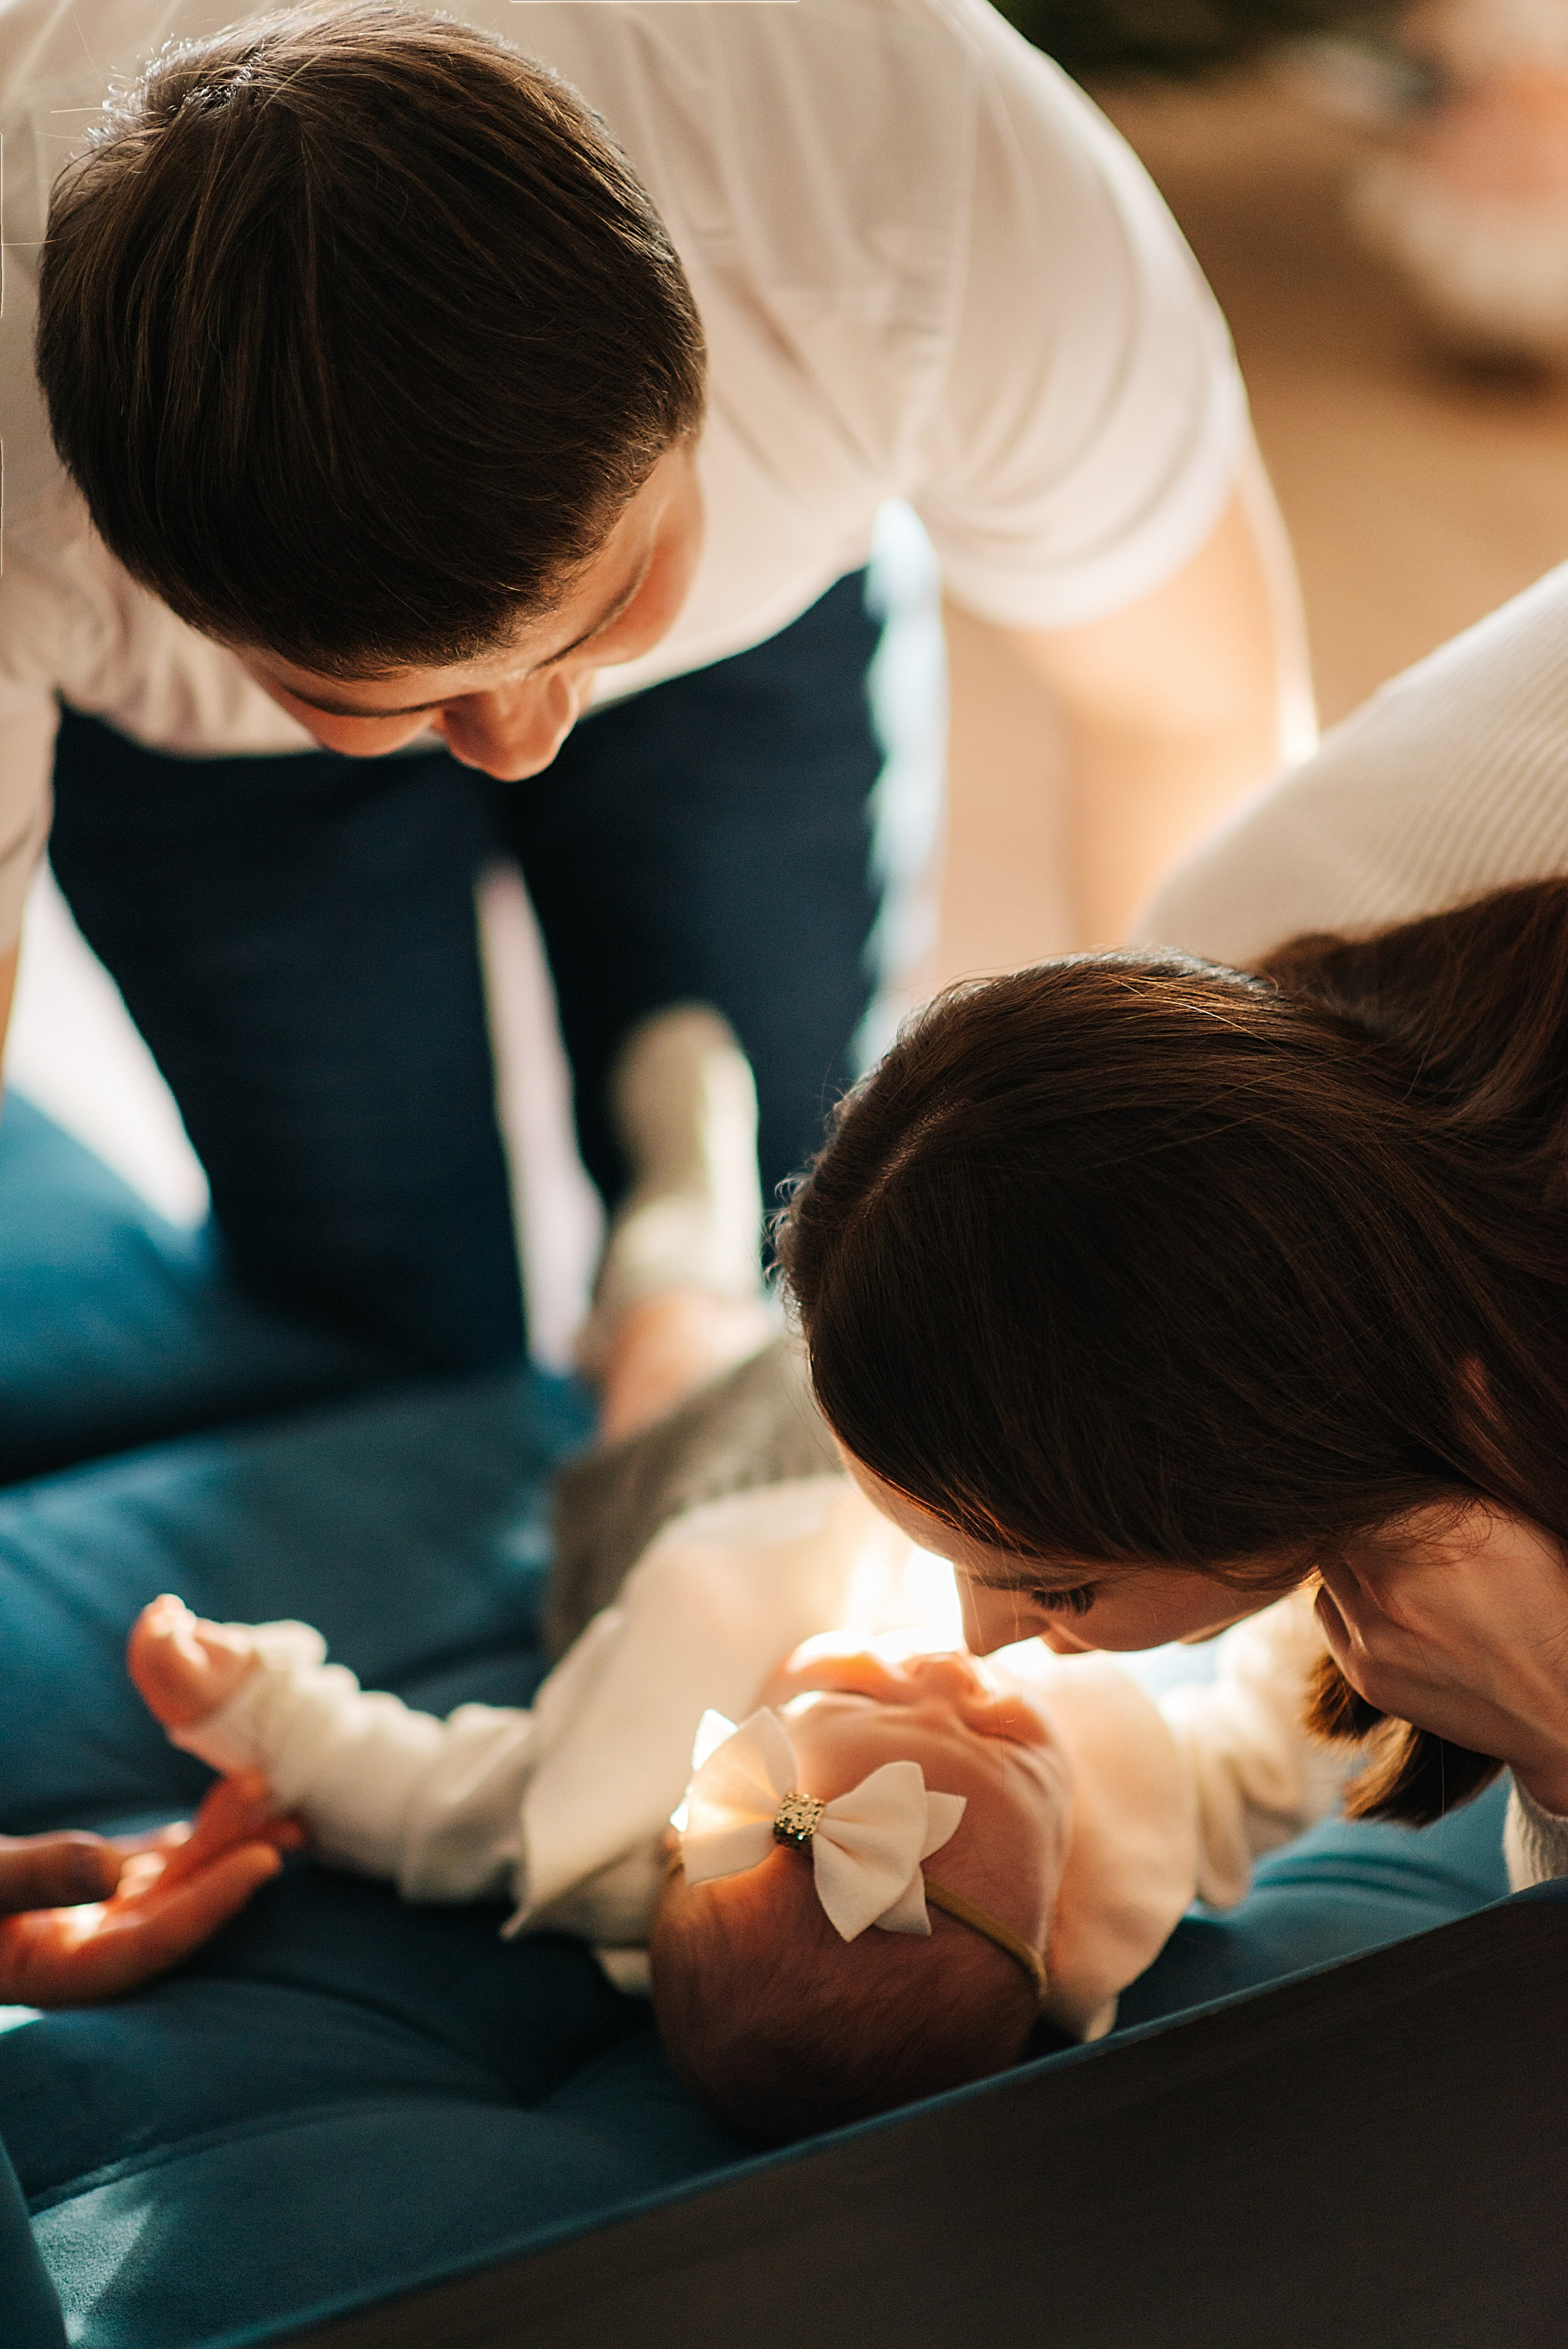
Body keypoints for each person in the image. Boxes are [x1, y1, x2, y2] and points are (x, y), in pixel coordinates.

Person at [0, 0, 1301, 1472]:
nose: (517, 738)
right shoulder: (12, 499)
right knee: (378, 1312)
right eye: (386, 696)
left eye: (604, 611)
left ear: (698, 375)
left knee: (786, 1220)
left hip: (752, 649)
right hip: (199, 778)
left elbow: (1188, 718)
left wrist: (1165, 1241)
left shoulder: (915, 183)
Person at [118, 1476, 1341, 2134]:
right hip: (906, 1474)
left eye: (852, 1684)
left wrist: (252, 1710)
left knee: (670, 1339)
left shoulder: (612, 1819)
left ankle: (675, 1199)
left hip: (683, 1502)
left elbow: (414, 1792)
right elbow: (1276, 1749)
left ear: (699, 1803)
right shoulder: (1128, 1849)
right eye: (1001, 1733)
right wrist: (1327, 1564)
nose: (943, 1675)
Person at [779, 878, 1568, 1887]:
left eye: (1060, 1588)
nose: (981, 1644)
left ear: (1265, 1468)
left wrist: (1549, 1724)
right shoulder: (1205, 1068)